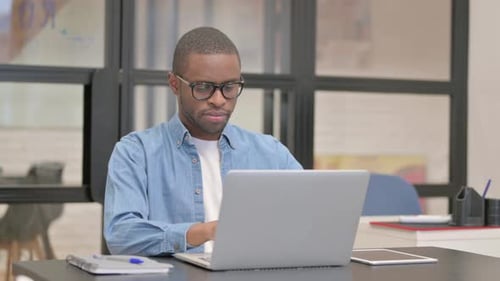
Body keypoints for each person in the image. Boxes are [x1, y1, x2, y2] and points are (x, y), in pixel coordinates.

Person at [103, 26, 302, 256]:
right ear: (174, 84)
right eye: (204, 88)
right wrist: (206, 231)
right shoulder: (136, 153)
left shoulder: (271, 152)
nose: (218, 100)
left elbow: (308, 215)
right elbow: (121, 235)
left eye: (229, 87)